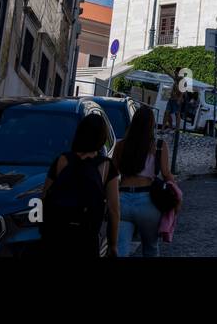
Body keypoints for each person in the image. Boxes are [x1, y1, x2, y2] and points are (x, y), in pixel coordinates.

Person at [41, 113, 119, 256]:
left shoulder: (62, 160)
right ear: (102, 137)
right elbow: (114, 210)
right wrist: (113, 244)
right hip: (87, 237)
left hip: (58, 235)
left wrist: (42, 229)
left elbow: (44, 197)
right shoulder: (106, 166)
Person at [113, 106, 178, 256]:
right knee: (150, 248)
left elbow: (113, 175)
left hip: (123, 200)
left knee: (121, 250)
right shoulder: (159, 146)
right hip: (148, 201)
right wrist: (175, 193)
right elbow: (166, 174)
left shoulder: (120, 145)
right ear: (152, 124)